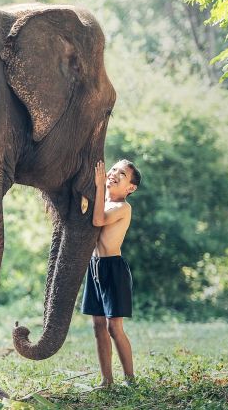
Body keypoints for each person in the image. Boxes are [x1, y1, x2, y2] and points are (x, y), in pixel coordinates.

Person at [82, 159, 142, 387]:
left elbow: (98, 220)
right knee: (98, 326)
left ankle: (130, 379)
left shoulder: (122, 207)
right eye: (114, 169)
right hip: (95, 267)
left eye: (123, 174)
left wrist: (98, 185)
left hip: (113, 269)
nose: (114, 174)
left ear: (130, 188)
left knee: (114, 327)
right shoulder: (103, 201)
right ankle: (107, 380)